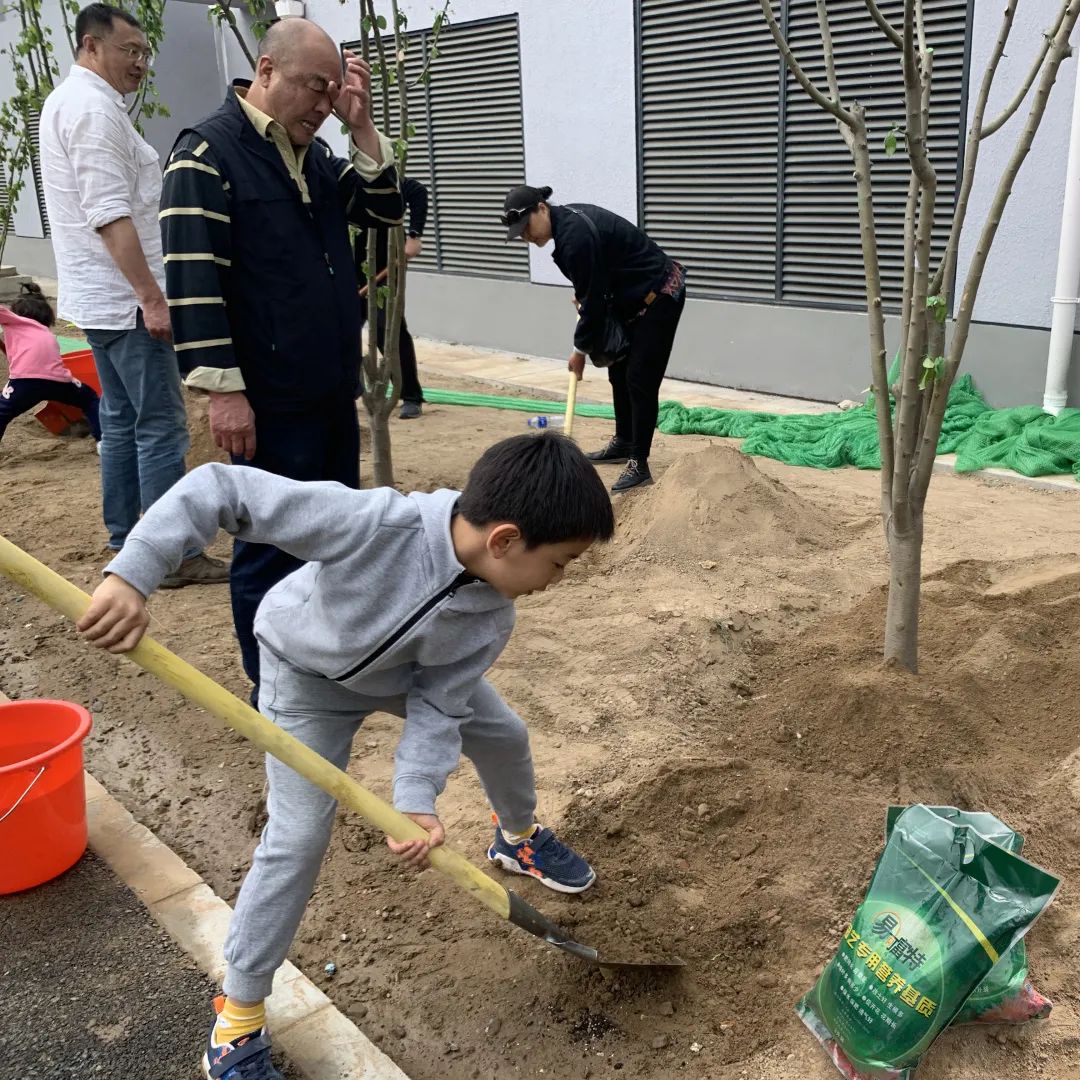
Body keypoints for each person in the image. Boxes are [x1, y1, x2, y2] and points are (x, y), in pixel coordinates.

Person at [77, 431, 614, 1080]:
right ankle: (238, 1022)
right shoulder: (376, 523)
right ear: (503, 540)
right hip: (305, 680)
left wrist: (414, 797)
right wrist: (134, 573)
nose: (557, 581)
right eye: (559, 563)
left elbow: (441, 704)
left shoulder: (492, 614)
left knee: (504, 735)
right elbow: (221, 488)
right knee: (296, 839)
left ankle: (518, 838)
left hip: (401, 677)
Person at [160, 18, 405, 695]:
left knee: (334, 534)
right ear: (266, 72)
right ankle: (271, 684)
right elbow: (193, 279)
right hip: (267, 399)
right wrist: (223, 391)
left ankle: (321, 662)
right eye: (313, 88)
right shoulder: (206, 155)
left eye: (333, 91)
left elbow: (384, 213)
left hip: (327, 389)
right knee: (268, 547)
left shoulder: (318, 159)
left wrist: (360, 131)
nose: (323, 104)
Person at [39, 3, 227, 588]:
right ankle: (172, 553)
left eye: (146, 53)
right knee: (161, 425)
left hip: (99, 298)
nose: (141, 63)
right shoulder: (92, 110)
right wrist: (152, 297)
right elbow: (109, 215)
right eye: (130, 52)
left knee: (121, 421)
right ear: (91, 47)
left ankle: (127, 537)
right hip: (124, 302)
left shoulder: (69, 102)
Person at [502, 184, 687, 493]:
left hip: (660, 297)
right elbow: (595, 282)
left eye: (527, 228)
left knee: (640, 379)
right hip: (633, 300)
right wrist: (586, 297)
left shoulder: (574, 236)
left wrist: (579, 351)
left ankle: (638, 464)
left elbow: (595, 304)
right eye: (520, 234)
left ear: (542, 209)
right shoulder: (566, 226)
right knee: (618, 370)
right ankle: (624, 441)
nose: (527, 237)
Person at [354, 176, 429, 418]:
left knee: (389, 333)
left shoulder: (368, 180)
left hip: (385, 268)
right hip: (347, 273)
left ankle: (411, 395)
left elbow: (416, 191)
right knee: (341, 335)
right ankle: (350, 391)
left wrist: (414, 235)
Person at [0, 283, 101, 449]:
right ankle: (103, 441)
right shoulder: (46, 332)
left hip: (25, 382)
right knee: (89, 398)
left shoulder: (15, 322)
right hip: (58, 380)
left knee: (2, 412)